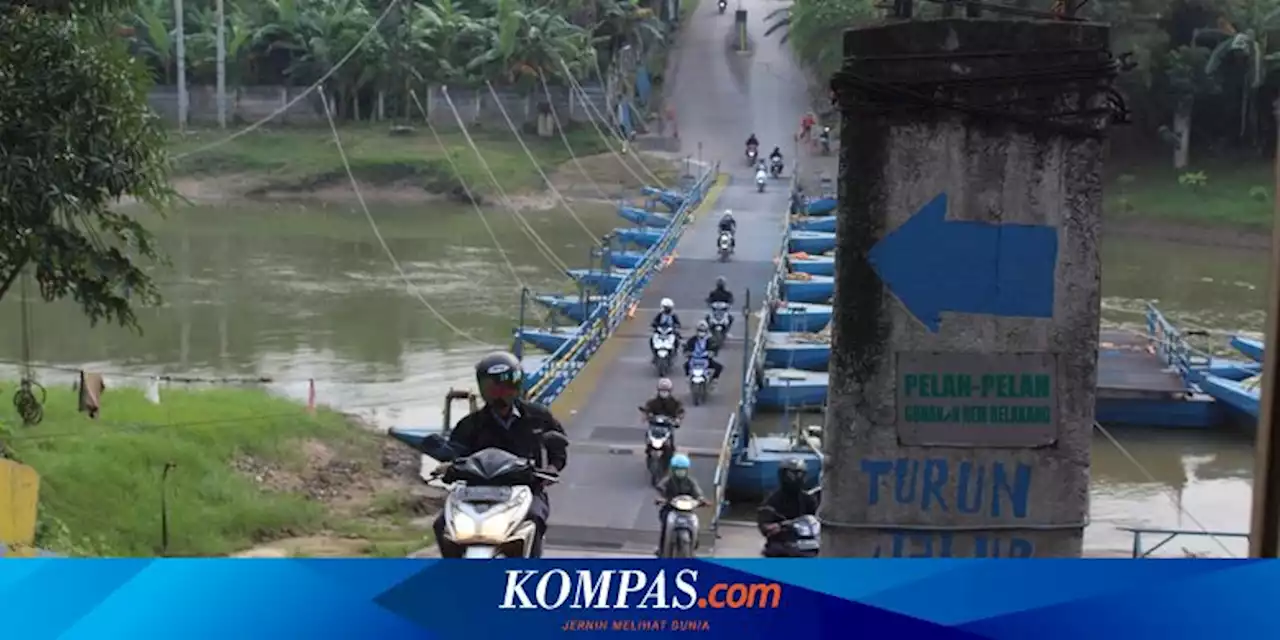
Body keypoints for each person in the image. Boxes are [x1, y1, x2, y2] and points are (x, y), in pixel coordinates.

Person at [432, 351, 569, 558]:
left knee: (534, 519)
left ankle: (531, 569)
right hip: (475, 493)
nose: (500, 395)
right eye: (493, 389)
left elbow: (558, 450)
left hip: (525, 489)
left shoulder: (538, 417)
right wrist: (447, 466)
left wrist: (550, 469)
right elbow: (454, 452)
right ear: (483, 390)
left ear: (517, 386)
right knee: (441, 523)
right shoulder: (470, 424)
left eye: (506, 387)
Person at [757, 457, 819, 557]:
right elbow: (765, 524)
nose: (797, 478)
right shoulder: (773, 499)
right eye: (792, 474)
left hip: (805, 544)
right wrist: (779, 526)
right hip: (781, 544)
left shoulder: (808, 499)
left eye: (800, 474)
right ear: (783, 475)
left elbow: (816, 519)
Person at [654, 454, 708, 555]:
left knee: (696, 523)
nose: (681, 472)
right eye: (678, 469)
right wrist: (662, 498)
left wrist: (701, 499)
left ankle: (694, 544)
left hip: (688, 511)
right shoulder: (668, 481)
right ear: (673, 470)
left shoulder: (691, 482)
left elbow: (697, 492)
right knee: (666, 525)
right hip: (670, 509)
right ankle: (661, 548)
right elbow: (660, 488)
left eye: (683, 469)